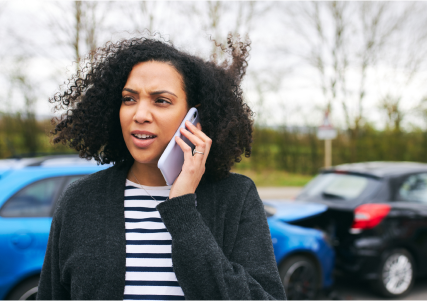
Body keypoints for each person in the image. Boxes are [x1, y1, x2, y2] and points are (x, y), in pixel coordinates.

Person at [36, 35, 286, 301]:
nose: (140, 114)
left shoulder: (235, 197)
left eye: (161, 101)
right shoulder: (80, 199)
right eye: (129, 99)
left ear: (195, 117)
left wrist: (183, 212)